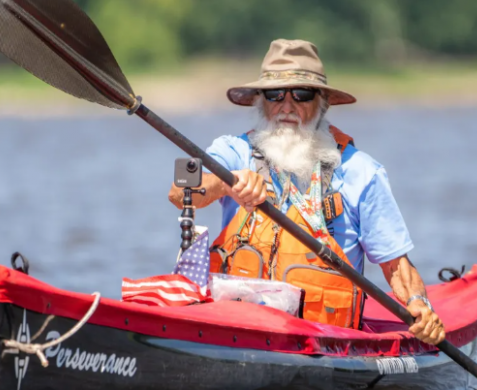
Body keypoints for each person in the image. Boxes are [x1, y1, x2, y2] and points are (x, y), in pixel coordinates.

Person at [169, 39, 444, 345]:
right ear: (261, 101)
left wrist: (420, 305)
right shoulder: (232, 152)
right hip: (237, 332)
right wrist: (228, 182)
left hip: (325, 341)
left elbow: (397, 266)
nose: (287, 106)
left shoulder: (361, 172)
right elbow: (181, 194)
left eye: (301, 94)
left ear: (322, 102)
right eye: (275, 94)